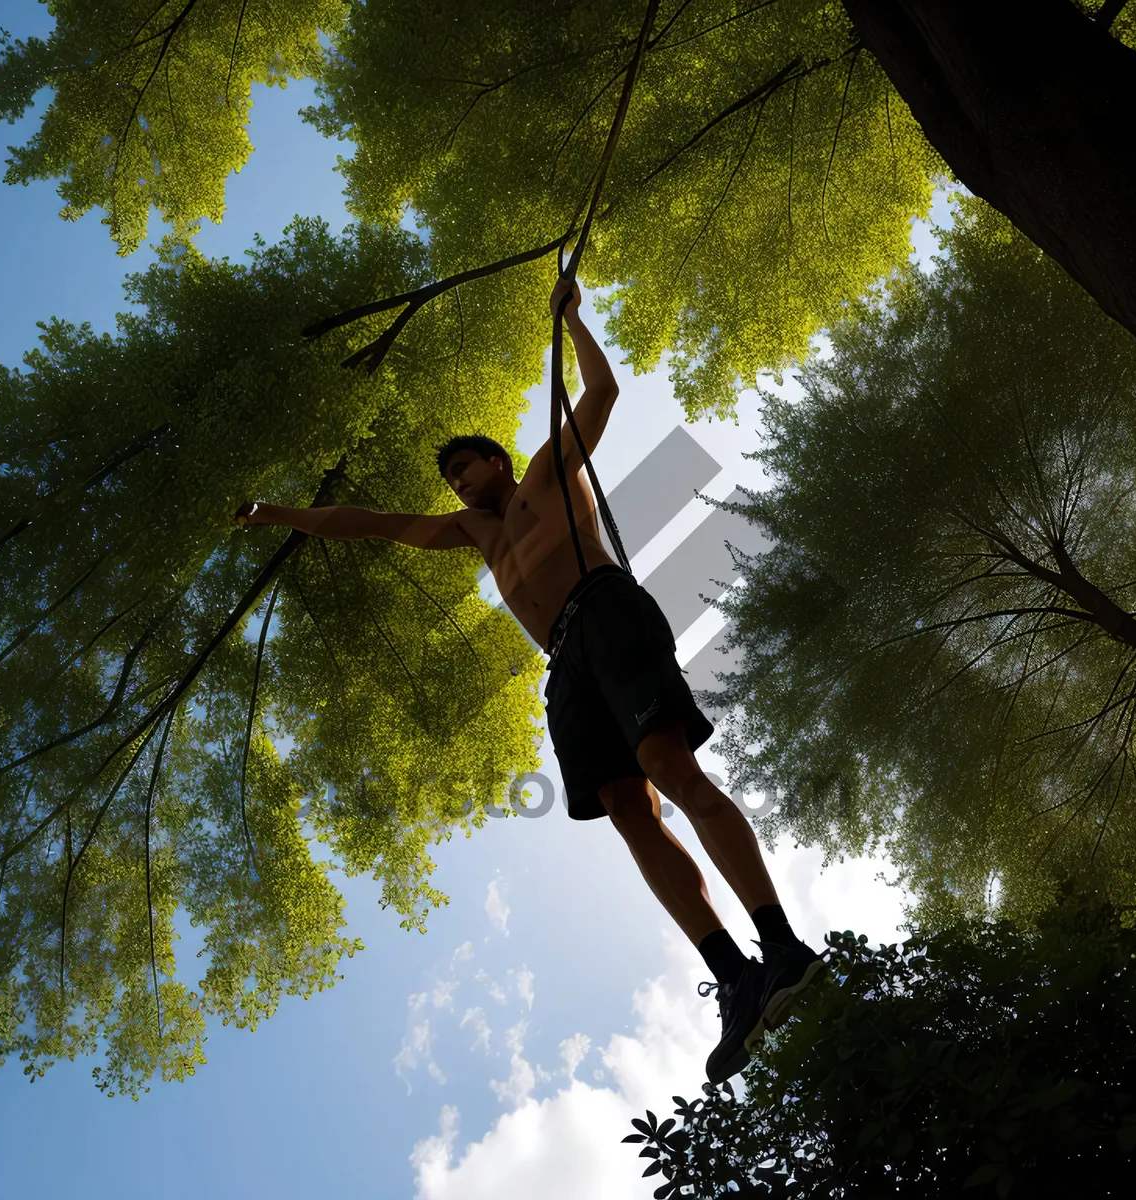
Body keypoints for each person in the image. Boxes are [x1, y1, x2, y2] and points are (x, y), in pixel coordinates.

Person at [234, 277, 825, 1083]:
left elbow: (604, 391)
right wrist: (277, 515)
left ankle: (781, 944)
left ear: (495, 459)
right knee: (626, 810)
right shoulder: (472, 534)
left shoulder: (548, 474)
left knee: (667, 768)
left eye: (462, 466)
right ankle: (735, 976)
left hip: (609, 611)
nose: (455, 480)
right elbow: (366, 523)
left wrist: (574, 320)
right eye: (447, 477)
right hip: (564, 663)